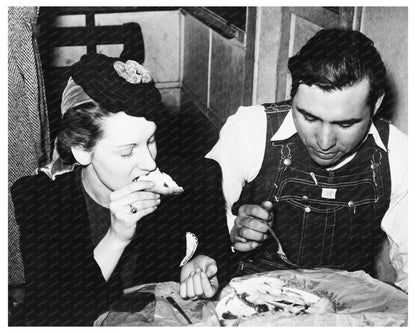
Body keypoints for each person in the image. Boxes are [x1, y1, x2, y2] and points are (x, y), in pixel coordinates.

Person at [11, 53, 232, 326]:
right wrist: (116, 238)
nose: (149, 163)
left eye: (151, 141)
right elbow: (49, 317)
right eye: (128, 151)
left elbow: (223, 260)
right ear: (81, 150)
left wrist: (202, 267)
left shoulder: (195, 181)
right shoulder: (41, 199)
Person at [206, 28, 408, 292]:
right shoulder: (249, 130)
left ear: (377, 104)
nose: (324, 142)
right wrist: (232, 236)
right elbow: (202, 229)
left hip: (346, 303)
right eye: (309, 117)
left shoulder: (399, 154)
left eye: (345, 124)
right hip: (252, 297)